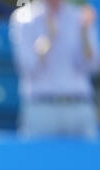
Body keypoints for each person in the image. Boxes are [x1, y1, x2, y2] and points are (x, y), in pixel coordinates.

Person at [10, 0, 99, 139]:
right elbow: (28, 66)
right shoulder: (24, 18)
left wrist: (84, 35)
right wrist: (49, 38)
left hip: (80, 105)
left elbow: (92, 66)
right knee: (37, 160)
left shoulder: (80, 16)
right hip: (41, 108)